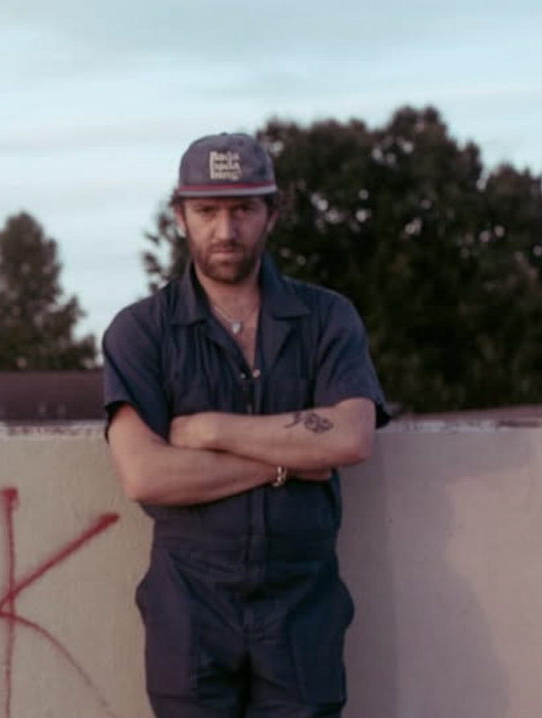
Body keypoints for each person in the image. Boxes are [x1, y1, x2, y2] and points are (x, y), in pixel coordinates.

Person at [102, 132, 390, 718]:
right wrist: (292, 462)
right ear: (179, 216)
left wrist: (210, 430)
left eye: (243, 210)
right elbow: (145, 475)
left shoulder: (326, 318)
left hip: (301, 602)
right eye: (207, 211)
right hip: (190, 603)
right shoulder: (142, 331)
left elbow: (352, 436)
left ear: (272, 213)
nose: (225, 230)